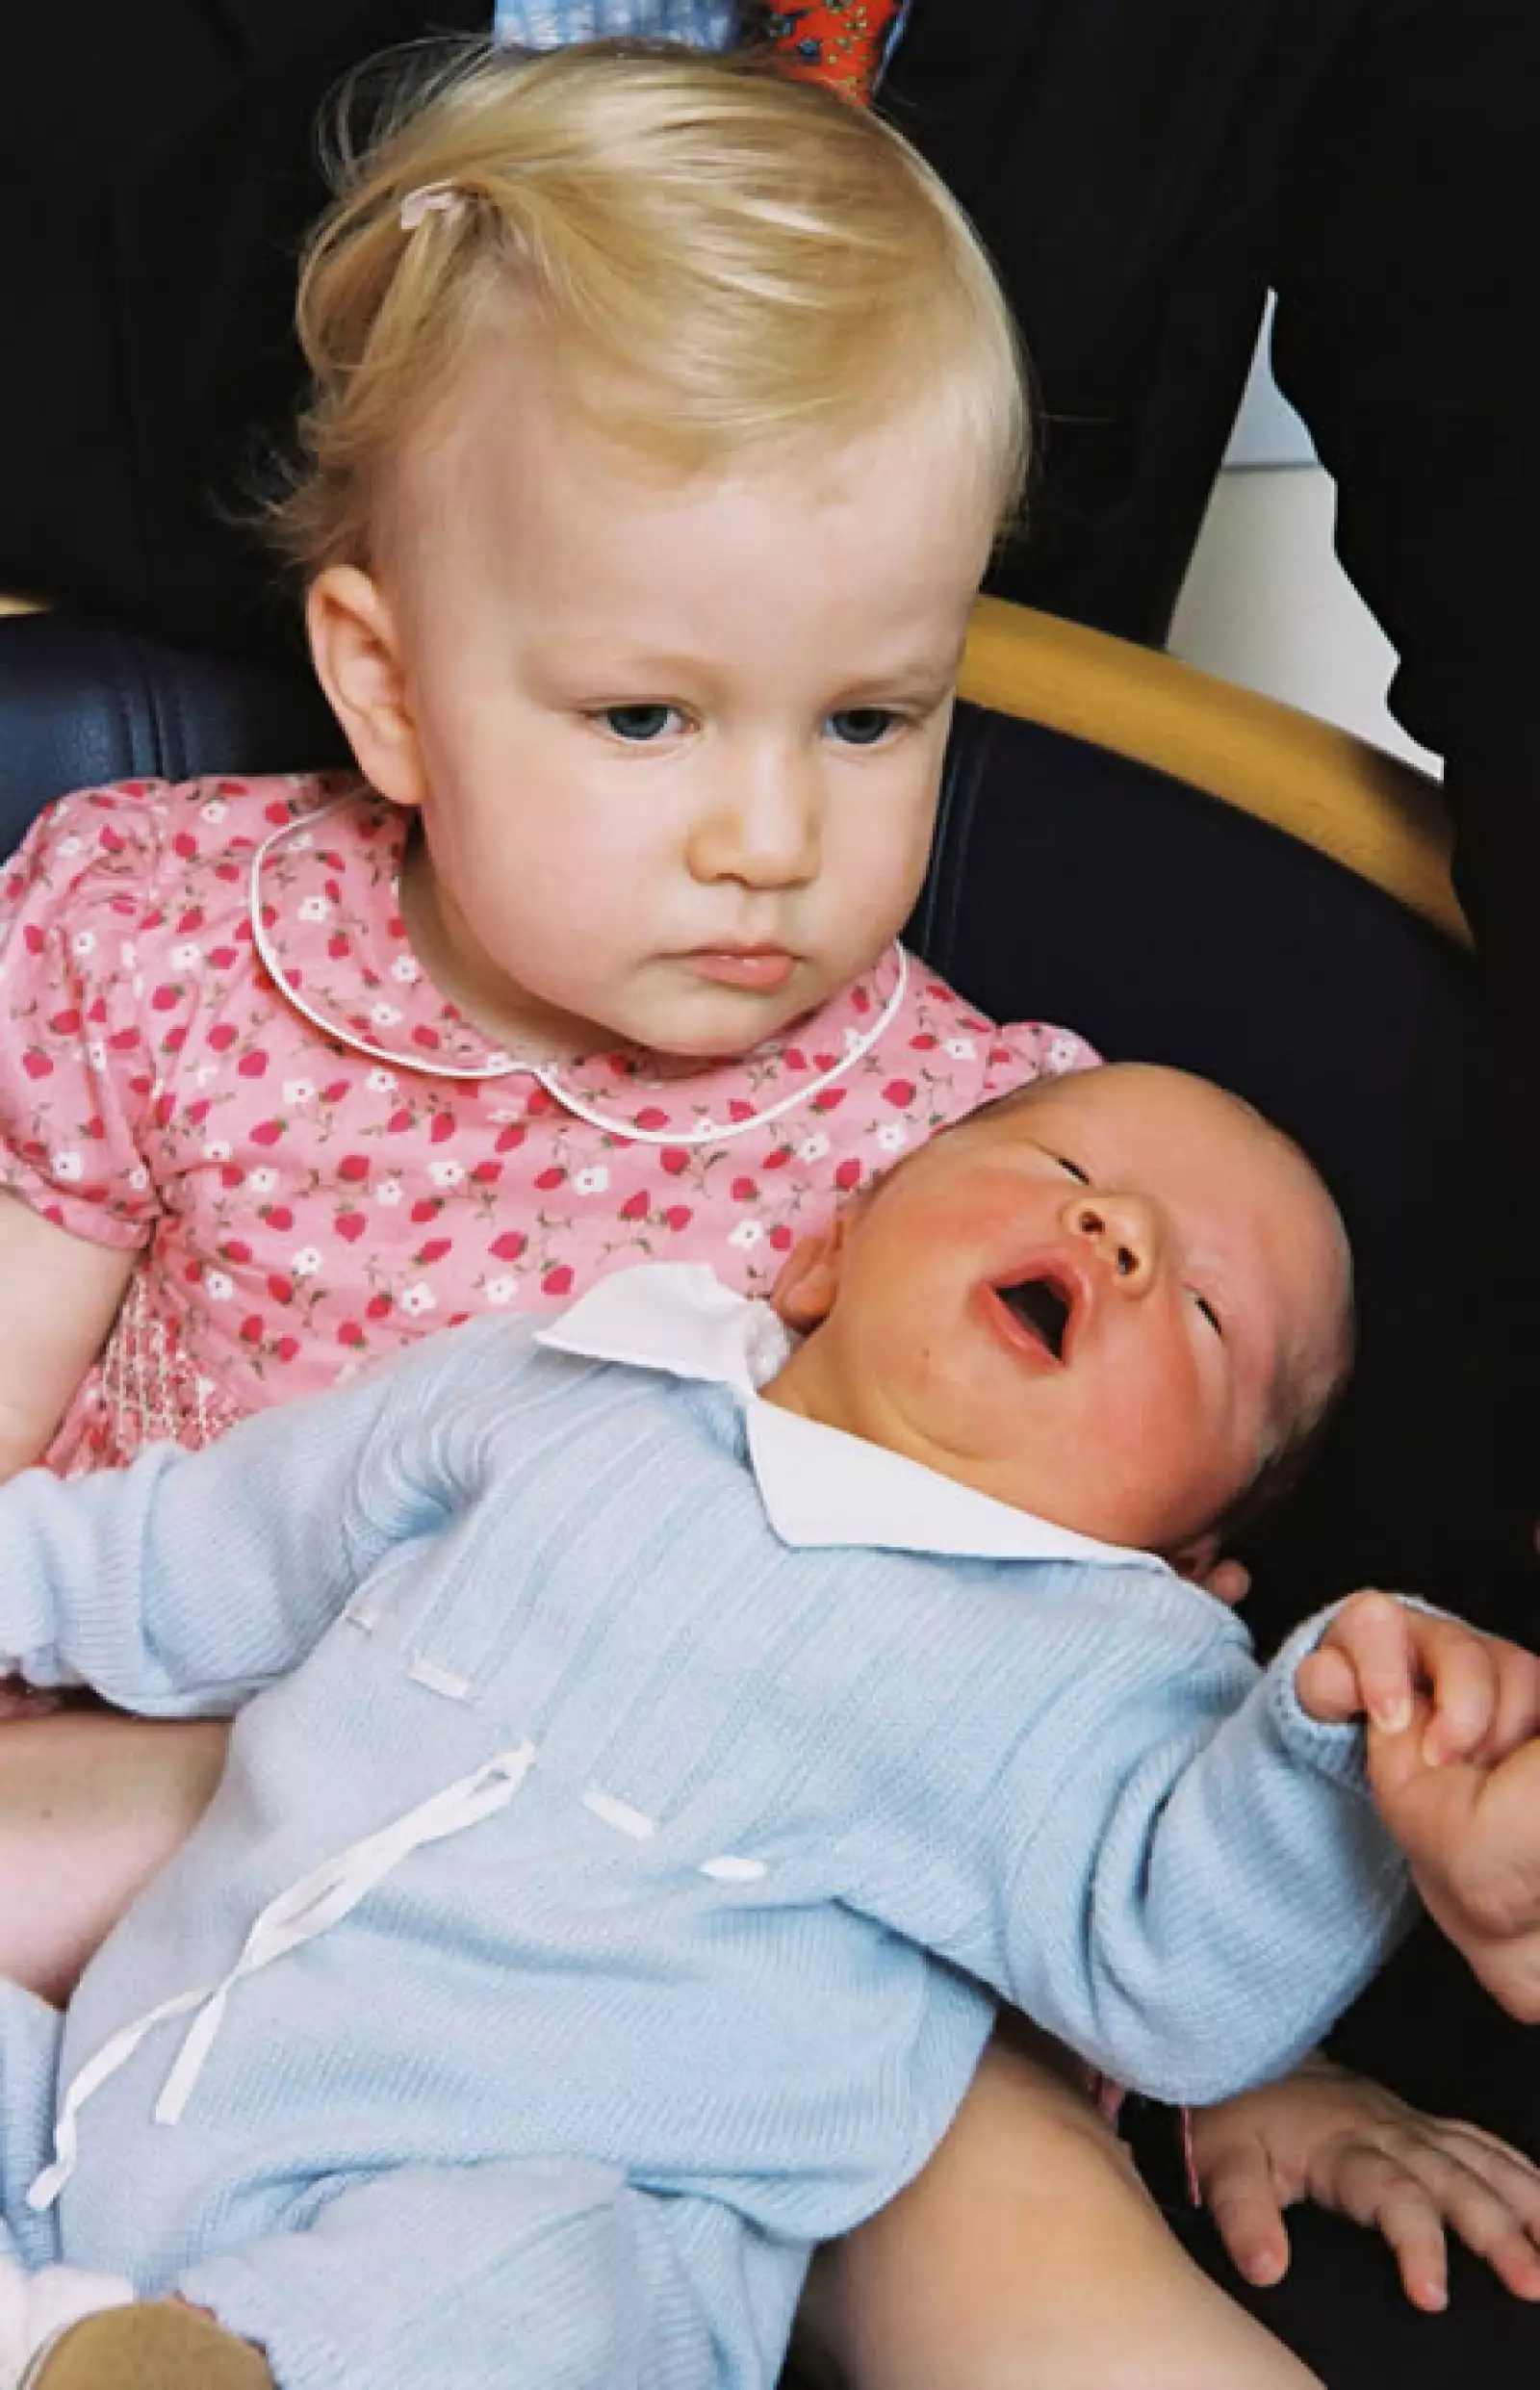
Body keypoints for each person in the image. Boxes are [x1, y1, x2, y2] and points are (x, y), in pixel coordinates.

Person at [0, 31, 1535, 2390]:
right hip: (217, 1790)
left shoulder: (986, 1132)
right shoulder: (166, 938)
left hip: (711, 1959)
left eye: (869, 720)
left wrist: (1250, 2051)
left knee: (957, 2134)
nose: (767, 840)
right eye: (645, 720)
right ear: (388, 693)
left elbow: (1076, 1691)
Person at [0, 1059, 1533, 2390]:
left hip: (500, 2212)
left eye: (1204, 1310)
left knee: (551, 2282)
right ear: (829, 1252)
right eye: (1068, 1170)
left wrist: (1336, 1728)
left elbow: (1182, 1970)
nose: (1116, 1231)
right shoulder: (569, 1378)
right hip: (109, 2095)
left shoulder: (1092, 1663)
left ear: (1187, 1551)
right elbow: (189, 1557)